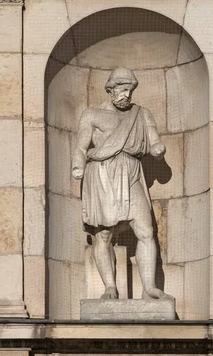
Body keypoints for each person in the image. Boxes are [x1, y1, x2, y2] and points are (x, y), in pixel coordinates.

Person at [72, 66, 169, 300]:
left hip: (132, 172)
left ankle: (149, 288)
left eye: (130, 90)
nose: (127, 95)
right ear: (111, 89)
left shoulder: (142, 114)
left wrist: (157, 150)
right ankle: (110, 287)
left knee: (145, 231)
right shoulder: (92, 114)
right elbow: (81, 146)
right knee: (103, 234)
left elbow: (154, 141)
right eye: (123, 89)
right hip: (102, 173)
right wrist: (78, 165)